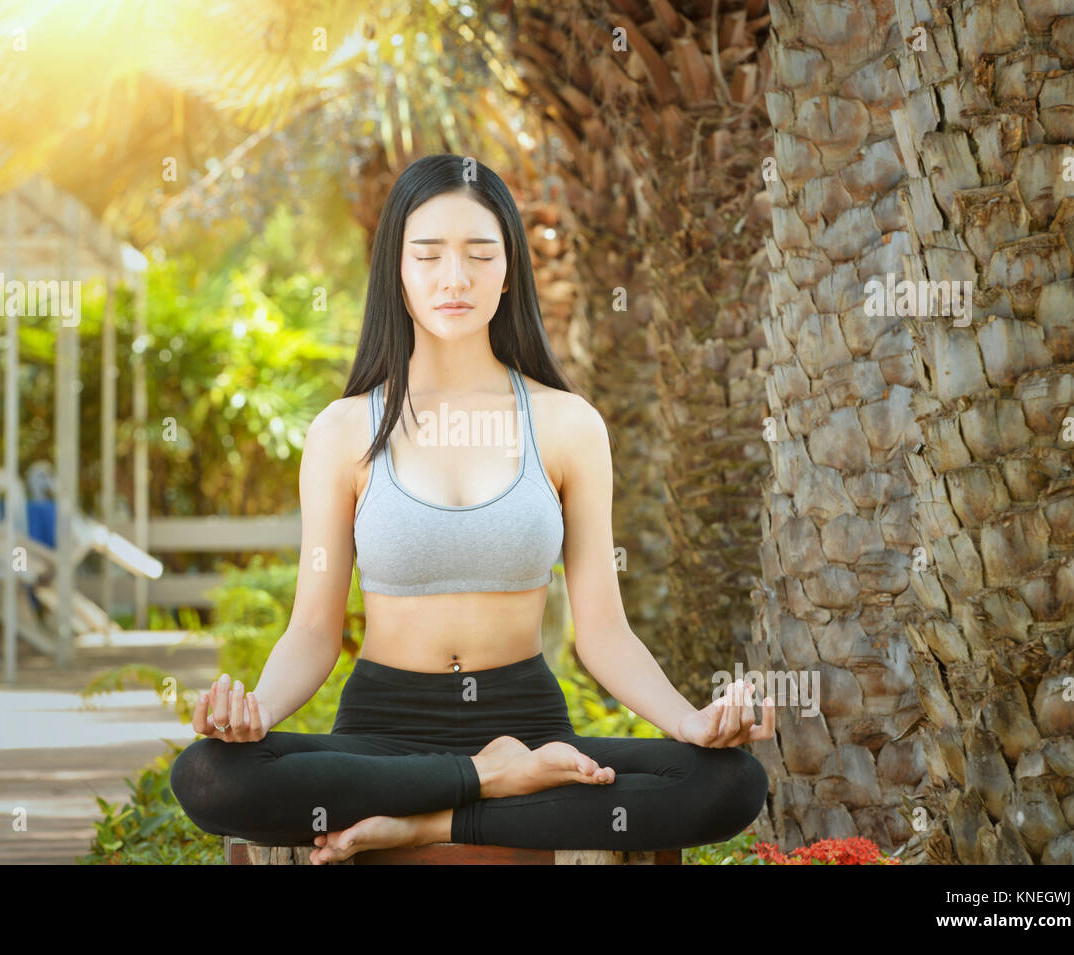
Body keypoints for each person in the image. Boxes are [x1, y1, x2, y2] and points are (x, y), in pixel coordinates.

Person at [170, 153, 773, 864]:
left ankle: (427, 821)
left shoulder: (568, 424)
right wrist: (257, 716)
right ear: (396, 268)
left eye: (479, 254)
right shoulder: (342, 432)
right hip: (384, 736)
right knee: (208, 774)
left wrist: (690, 721)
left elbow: (603, 631)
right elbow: (313, 630)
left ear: (508, 268)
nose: (453, 277)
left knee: (726, 781)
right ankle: (490, 781)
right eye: (427, 254)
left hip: (527, 725)